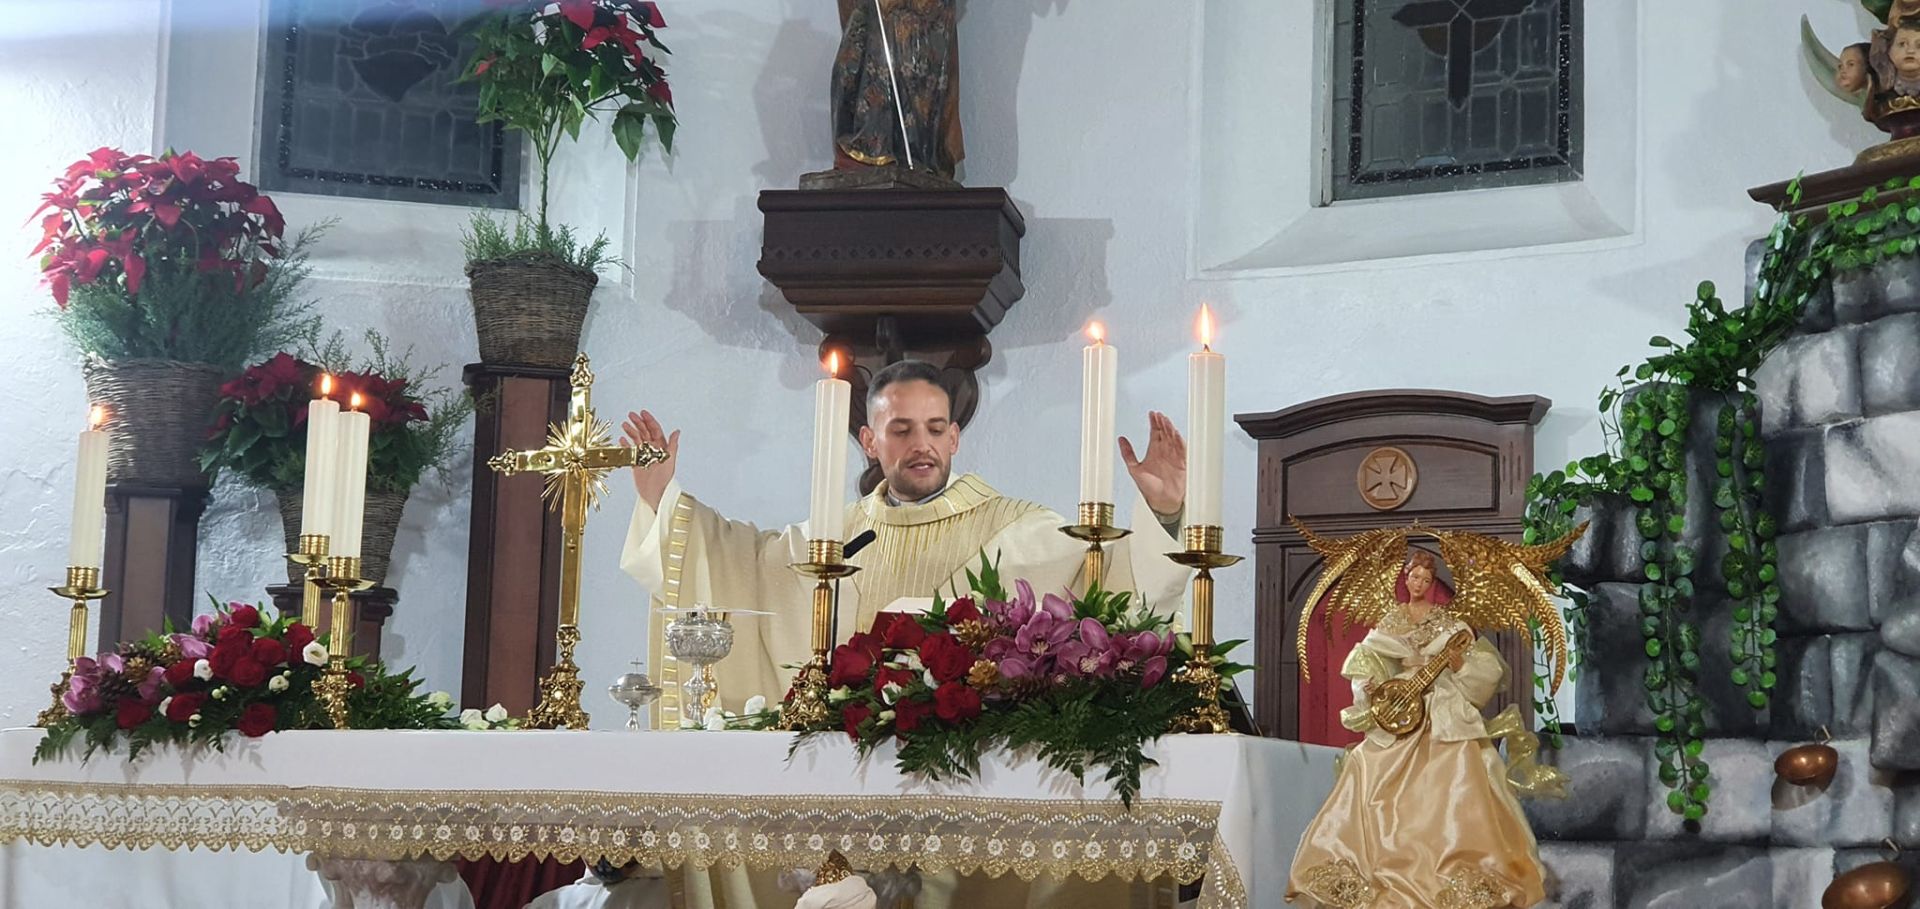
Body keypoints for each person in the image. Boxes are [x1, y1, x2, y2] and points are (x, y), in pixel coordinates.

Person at [620, 359, 1192, 712]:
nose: (922, 444)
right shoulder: (832, 537)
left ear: (955, 439)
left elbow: (1116, 581)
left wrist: (1162, 513)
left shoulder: (1017, 526)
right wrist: (660, 500)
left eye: (935, 429)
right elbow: (738, 564)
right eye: (902, 430)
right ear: (870, 441)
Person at [1286, 550, 1547, 909]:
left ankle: (1459, 871)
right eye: (1414, 577)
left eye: (1426, 579)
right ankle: (1377, 870)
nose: (1420, 584)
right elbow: (1366, 661)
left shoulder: (1448, 622)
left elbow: (1485, 669)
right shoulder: (1391, 620)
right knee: (1366, 762)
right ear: (1405, 578)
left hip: (1443, 707)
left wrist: (1458, 666)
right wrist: (1372, 689)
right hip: (1401, 706)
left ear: (1433, 583)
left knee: (1462, 770)